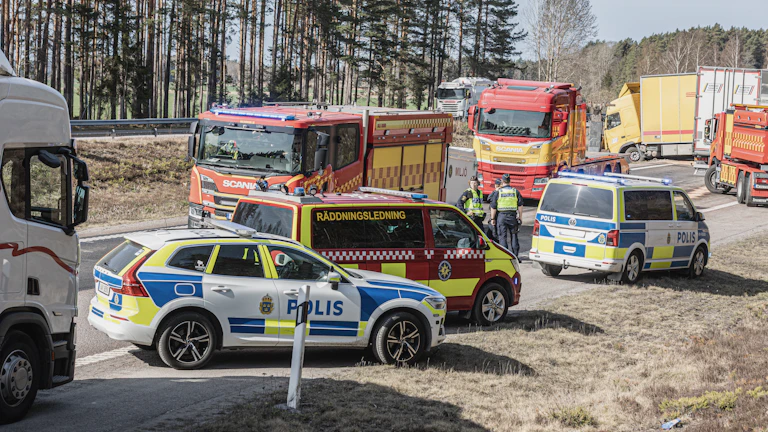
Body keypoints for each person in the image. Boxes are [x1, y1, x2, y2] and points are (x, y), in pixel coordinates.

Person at [490, 174, 524, 257]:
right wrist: (520, 216)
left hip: (501, 216)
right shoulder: (515, 191)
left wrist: (492, 219)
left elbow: (493, 207)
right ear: (510, 181)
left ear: (502, 181)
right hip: (512, 216)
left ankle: (504, 256)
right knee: (514, 235)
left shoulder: (498, 192)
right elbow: (520, 205)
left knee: (502, 237)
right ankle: (515, 256)